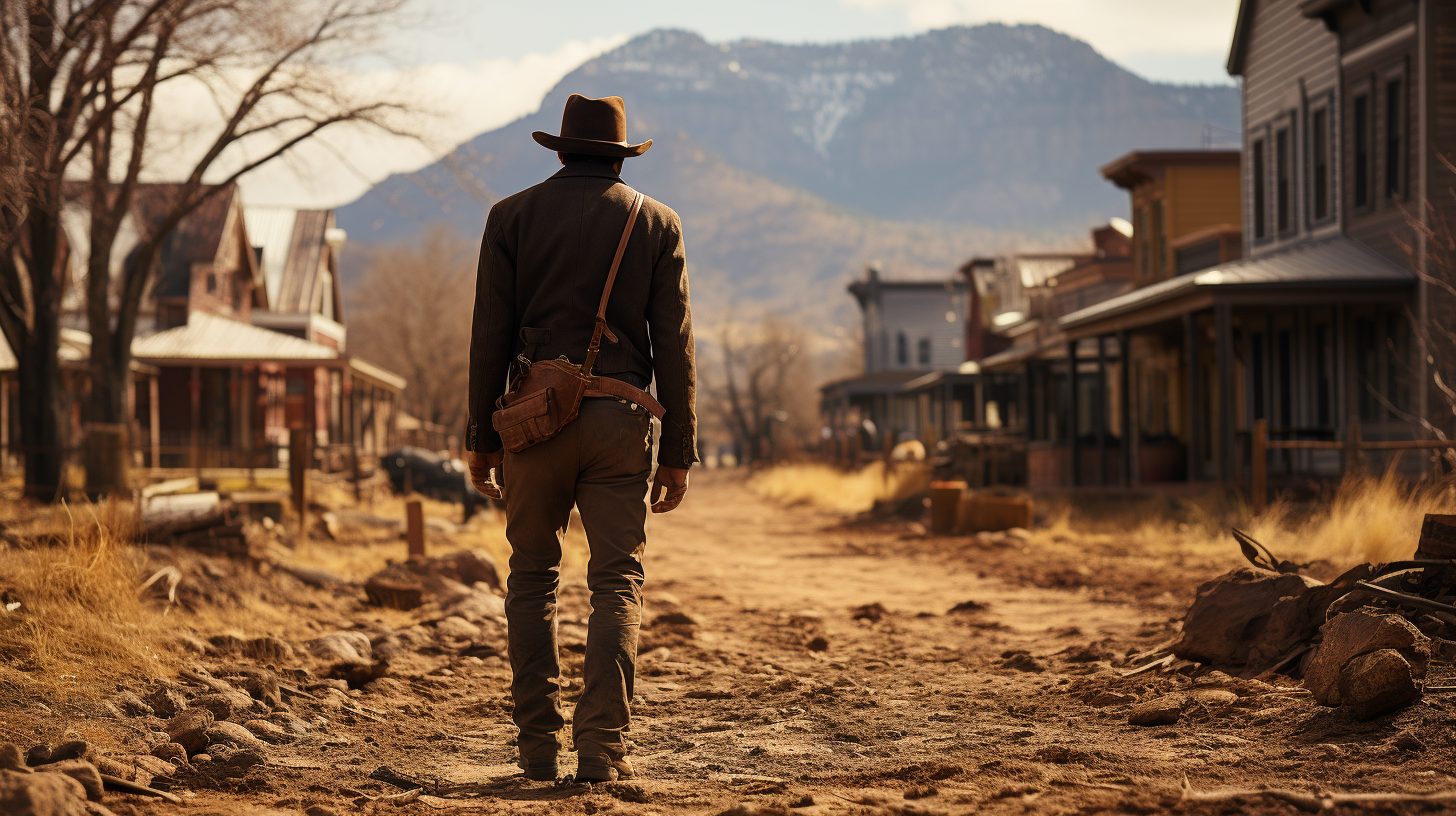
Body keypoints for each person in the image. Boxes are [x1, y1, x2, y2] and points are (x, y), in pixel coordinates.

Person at [463, 94, 697, 784]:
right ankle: (601, 750)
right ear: (620, 156)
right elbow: (675, 346)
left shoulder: (509, 217)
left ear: (560, 150)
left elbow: (489, 336)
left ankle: (536, 750)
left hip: (532, 424)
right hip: (621, 426)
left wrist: (481, 435)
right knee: (616, 581)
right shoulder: (656, 222)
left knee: (532, 577)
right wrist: (679, 449)